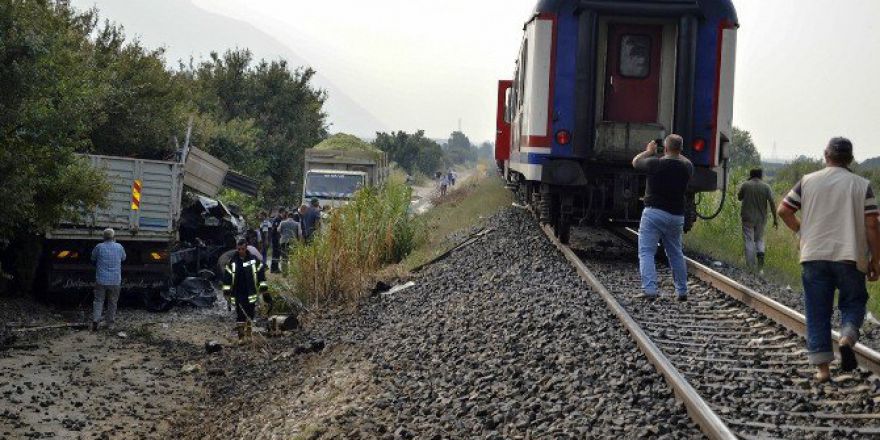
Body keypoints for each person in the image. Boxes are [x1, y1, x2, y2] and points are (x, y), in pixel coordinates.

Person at [777, 137, 880, 382]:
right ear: (851, 159)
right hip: (850, 256)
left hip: (813, 255)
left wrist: (802, 232)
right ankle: (846, 337)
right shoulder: (862, 185)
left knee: (817, 310)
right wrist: (877, 258)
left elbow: (784, 210)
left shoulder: (808, 181)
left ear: (826, 155)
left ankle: (822, 370)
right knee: (854, 301)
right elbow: (873, 224)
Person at [632, 135, 694, 301]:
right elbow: (685, 160)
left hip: (654, 214)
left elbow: (635, 162)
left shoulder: (655, 163)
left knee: (646, 252)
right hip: (676, 216)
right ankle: (682, 291)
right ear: (680, 150)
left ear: (665, 149)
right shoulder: (687, 167)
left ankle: (650, 290)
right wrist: (676, 152)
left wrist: (649, 151)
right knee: (675, 253)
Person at [221, 239, 268, 339]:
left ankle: (249, 335)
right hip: (238, 292)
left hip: (250, 291)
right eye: (239, 249)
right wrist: (226, 291)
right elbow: (227, 277)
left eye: (242, 249)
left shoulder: (254, 260)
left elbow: (261, 275)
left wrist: (264, 289)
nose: (240, 251)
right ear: (236, 248)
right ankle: (241, 338)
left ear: (246, 248)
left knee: (250, 314)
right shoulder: (233, 262)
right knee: (240, 314)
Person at [738, 169, 779, 272]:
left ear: (751, 175)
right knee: (759, 239)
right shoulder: (766, 187)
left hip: (747, 218)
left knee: (749, 240)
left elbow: (739, 197)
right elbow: (772, 203)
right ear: (761, 176)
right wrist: (775, 219)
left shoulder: (746, 185)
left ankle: (751, 266)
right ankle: (760, 254)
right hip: (761, 218)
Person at [90, 228, 126, 331]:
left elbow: (93, 258)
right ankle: (110, 324)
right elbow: (123, 258)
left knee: (98, 300)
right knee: (112, 302)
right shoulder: (119, 247)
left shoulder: (99, 247)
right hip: (115, 280)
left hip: (101, 280)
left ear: (103, 237)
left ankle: (96, 320)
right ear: (114, 237)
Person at [270, 208, 287, 273]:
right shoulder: (277, 219)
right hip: (276, 239)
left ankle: (276, 268)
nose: (284, 214)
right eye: (284, 212)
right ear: (281, 212)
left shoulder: (280, 219)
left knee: (277, 254)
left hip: (277, 239)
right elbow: (275, 230)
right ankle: (273, 269)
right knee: (275, 254)